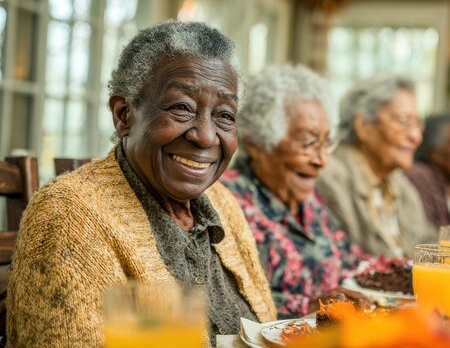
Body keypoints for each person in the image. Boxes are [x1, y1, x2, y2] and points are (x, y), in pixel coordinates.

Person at [7, 21, 276, 347]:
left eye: (224, 115)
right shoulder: (69, 215)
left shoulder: (223, 204)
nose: (205, 136)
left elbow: (268, 331)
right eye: (182, 108)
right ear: (123, 116)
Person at [221, 65, 369, 319]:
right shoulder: (226, 201)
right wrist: (310, 307)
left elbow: (353, 263)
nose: (321, 160)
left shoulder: (310, 201)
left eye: (326, 143)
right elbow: (225, 300)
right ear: (256, 142)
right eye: (308, 143)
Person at [318, 76, 434, 258]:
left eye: (417, 123)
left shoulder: (401, 186)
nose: (416, 136)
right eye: (403, 121)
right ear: (363, 125)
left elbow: (429, 244)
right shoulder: (330, 178)